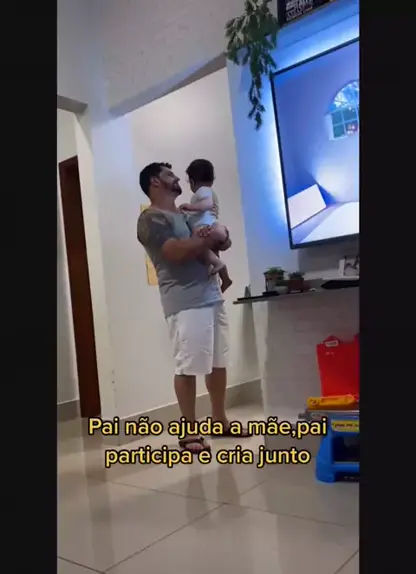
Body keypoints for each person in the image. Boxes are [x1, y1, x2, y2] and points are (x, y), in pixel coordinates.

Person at [137, 162, 249, 453]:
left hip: (211, 295)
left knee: (218, 362)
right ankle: (188, 432)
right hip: (185, 302)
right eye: (169, 175)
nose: (177, 178)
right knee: (187, 366)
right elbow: (173, 252)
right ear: (155, 182)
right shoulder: (151, 219)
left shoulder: (187, 214)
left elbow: (218, 244)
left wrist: (221, 236)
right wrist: (210, 238)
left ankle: (220, 421)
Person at [179, 159, 232, 292]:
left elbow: (207, 204)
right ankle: (225, 278)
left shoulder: (203, 191)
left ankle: (219, 266)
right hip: (208, 225)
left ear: (192, 181)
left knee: (198, 245)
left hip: (204, 226)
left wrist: (190, 207)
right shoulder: (208, 191)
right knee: (212, 252)